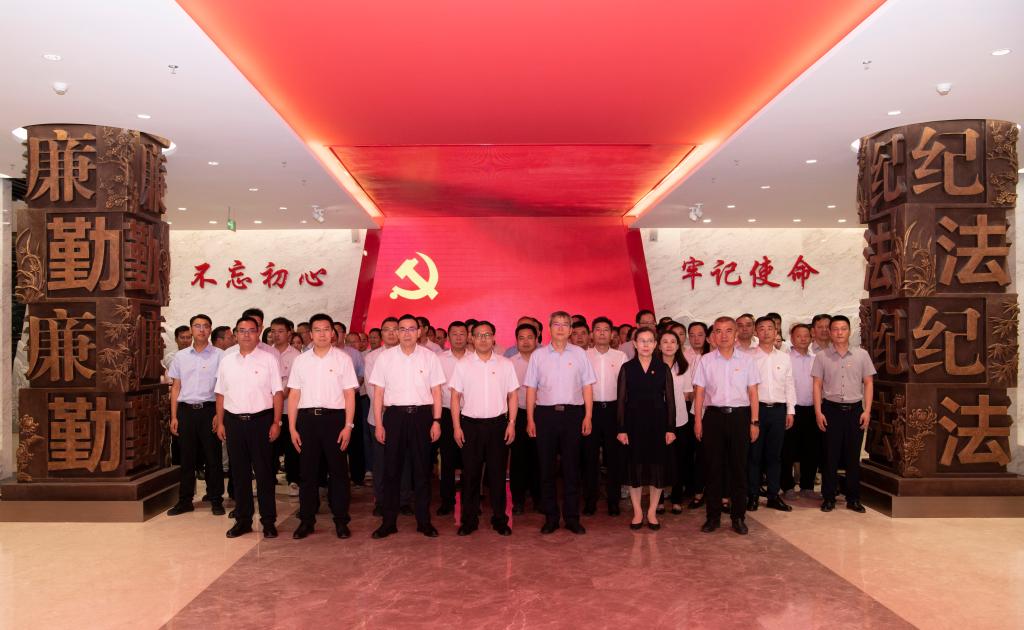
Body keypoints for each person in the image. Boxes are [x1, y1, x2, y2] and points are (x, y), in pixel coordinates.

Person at [369, 314, 445, 538]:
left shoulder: (430, 357)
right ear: (396, 332)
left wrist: (437, 421)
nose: (407, 333)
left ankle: (424, 522)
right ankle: (388, 522)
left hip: (422, 417)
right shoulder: (385, 358)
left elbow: (437, 392)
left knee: (422, 471)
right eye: (402, 329)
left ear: (419, 332)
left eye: (412, 329)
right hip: (394, 417)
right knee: (391, 471)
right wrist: (379, 424)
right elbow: (378, 393)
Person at [288, 313, 359, 540]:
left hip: (335, 420)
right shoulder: (301, 360)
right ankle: (307, 521)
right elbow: (294, 395)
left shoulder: (343, 359)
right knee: (307, 473)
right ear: (310, 334)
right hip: (307, 421)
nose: (322, 334)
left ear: (333, 333)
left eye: (326, 329)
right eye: (317, 330)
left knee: (338, 473)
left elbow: (349, 395)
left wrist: (348, 426)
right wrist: (292, 427)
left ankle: (341, 520)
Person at [525, 311, 597, 535]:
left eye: (565, 324)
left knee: (571, 468)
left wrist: (588, 416)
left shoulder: (580, 354)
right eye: (556, 324)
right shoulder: (538, 356)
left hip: (573, 415)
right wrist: (530, 419)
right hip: (545, 415)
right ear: (549, 328)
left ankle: (572, 518)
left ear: (570, 329)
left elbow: (587, 386)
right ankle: (551, 517)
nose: (561, 328)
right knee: (546, 468)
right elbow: (531, 388)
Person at [214, 316, 283, 539]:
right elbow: (220, 394)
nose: (246, 335)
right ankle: (243, 520)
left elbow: (277, 393)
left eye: (251, 330)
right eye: (241, 331)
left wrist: (276, 422)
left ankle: (268, 521)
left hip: (261, 421)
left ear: (258, 332)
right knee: (239, 473)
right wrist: (221, 422)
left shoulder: (269, 359)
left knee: (264, 473)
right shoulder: (227, 361)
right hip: (234, 422)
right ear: (235, 334)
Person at [450, 321, 519, 536]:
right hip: (470, 426)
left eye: (487, 335)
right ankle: (469, 520)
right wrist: (456, 427)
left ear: (494, 338)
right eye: (479, 335)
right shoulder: (463, 364)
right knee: (470, 475)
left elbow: (513, 395)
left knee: (497, 475)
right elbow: (455, 397)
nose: (483, 339)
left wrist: (511, 423)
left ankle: (500, 519)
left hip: (498, 426)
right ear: (472, 338)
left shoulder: (505, 364)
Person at [692, 316, 760, 535]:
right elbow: (699, 393)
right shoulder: (706, 360)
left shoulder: (748, 360)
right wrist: (698, 421)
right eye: (718, 331)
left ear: (736, 334)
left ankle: (738, 517)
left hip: (740, 417)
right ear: (713, 336)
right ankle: (712, 517)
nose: (723, 335)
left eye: (728, 331)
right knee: (713, 469)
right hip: (713, 418)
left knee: (739, 469)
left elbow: (753, 393)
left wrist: (754, 422)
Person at [812, 315, 874, 514]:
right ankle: (828, 497)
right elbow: (817, 385)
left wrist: (867, 410)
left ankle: (853, 498)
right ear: (830, 333)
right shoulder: (822, 357)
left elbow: (868, 383)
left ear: (849, 331)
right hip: (831, 410)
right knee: (829, 456)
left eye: (843, 329)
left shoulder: (862, 355)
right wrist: (818, 412)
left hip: (855, 411)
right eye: (835, 329)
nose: (839, 332)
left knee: (852, 457)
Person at [617, 328, 677, 530]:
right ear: (634, 344)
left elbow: (670, 401)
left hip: (658, 425)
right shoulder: (627, 368)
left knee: (656, 468)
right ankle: (637, 512)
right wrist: (621, 429)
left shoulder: (662, 368)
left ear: (655, 344)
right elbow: (621, 400)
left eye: (649, 341)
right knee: (634, 468)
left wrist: (670, 428)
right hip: (633, 425)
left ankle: (651, 512)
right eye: (641, 341)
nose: (645, 344)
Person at [167, 314, 225, 517]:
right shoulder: (181, 357)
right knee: (187, 458)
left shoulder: (220, 356)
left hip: (209, 410)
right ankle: (185, 501)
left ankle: (216, 499)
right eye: (197, 326)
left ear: (210, 330)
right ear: (191, 329)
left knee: (213, 458)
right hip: (185, 411)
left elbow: (223, 388)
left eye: (205, 326)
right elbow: (176, 387)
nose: (201, 330)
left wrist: (219, 415)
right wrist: (174, 416)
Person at [748, 316, 796, 512]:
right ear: (756, 332)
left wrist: (790, 410)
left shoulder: (784, 357)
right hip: (756, 411)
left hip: (778, 410)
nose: (766, 332)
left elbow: (789, 384)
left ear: (777, 332)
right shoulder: (749, 357)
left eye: (770, 328)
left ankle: (773, 496)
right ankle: (752, 495)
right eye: (762, 328)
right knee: (754, 455)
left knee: (775, 456)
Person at [582, 316, 627, 516]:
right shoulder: (583, 356)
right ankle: (590, 500)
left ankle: (613, 501)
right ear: (592, 334)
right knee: (589, 457)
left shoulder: (620, 357)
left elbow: (625, 388)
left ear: (612, 334)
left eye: (606, 330)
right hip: (589, 411)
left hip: (613, 410)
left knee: (614, 458)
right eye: (598, 329)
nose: (601, 333)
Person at [364, 317, 401, 515]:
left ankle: (404, 500)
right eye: (387, 330)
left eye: (395, 329)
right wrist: (389, 405)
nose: (391, 333)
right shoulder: (372, 357)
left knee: (403, 459)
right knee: (380, 461)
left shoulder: (408, 355)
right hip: (378, 417)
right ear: (381, 334)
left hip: (402, 416)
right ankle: (381, 500)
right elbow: (372, 389)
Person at [435, 321, 470, 515]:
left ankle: (469, 501)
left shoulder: (475, 358)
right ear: (448, 337)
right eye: (454, 334)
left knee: (470, 460)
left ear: (468, 336)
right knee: (447, 459)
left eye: (462, 333)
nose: (458, 337)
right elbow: (434, 389)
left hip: (470, 414)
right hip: (447, 413)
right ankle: (447, 501)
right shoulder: (439, 359)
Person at [782, 323, 820, 500]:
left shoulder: (816, 359)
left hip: (812, 409)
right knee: (787, 449)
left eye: (806, 335)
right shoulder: (785, 359)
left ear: (811, 337)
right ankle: (787, 486)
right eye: (799, 336)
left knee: (811, 449)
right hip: (792, 409)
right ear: (792, 338)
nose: (803, 339)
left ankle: (807, 486)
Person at [509, 323, 542, 514]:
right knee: (518, 459)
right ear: (516, 341)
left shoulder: (544, 360)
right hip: (518, 414)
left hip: (541, 413)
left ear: (537, 339)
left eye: (530, 337)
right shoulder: (510, 363)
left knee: (540, 458)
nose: (526, 341)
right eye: (521, 338)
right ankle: (518, 501)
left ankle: (539, 499)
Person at [660, 329, 693, 514]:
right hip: (657, 421)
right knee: (660, 460)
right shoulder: (652, 365)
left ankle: (676, 498)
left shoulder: (684, 366)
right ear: (658, 345)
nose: (669, 345)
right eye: (665, 341)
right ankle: (659, 499)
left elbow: (687, 395)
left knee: (679, 460)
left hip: (680, 419)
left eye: (673, 342)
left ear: (678, 345)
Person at [268, 317, 301, 497]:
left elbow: (293, 384)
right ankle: (267, 480)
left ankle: (293, 480)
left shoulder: (297, 356)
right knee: (269, 447)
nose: (276, 335)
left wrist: (279, 396)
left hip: (289, 409)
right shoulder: (265, 353)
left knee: (291, 447)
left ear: (289, 333)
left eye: (280, 331)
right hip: (268, 409)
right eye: (273, 331)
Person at [682, 322, 710, 510]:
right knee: (691, 450)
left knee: (709, 452)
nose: (696, 339)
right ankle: (693, 488)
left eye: (700, 334)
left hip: (711, 409)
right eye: (692, 335)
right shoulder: (683, 355)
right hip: (689, 408)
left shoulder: (712, 356)